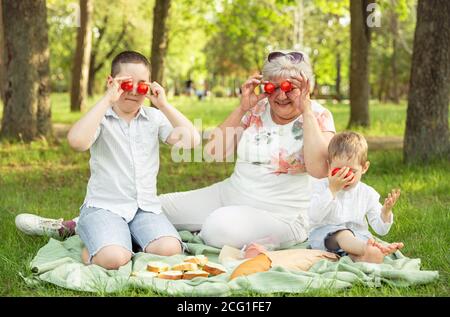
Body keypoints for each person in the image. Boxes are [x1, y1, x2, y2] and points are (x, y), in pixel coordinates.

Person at [16, 50, 335, 251]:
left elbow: (320, 169)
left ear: (307, 88)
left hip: (282, 215)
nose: (280, 96)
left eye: (290, 88)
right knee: (150, 207)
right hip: (230, 194)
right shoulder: (257, 109)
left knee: (217, 228)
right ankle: (71, 225)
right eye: (272, 87)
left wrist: (305, 111)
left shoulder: (319, 116)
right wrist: (242, 109)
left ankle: (119, 242)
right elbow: (214, 152)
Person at [22, 50, 200, 270]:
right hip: (104, 207)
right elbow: (77, 142)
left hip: (144, 209)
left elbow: (192, 140)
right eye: (127, 84)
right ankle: (92, 239)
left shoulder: (154, 118)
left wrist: (163, 104)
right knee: (114, 259)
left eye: (142, 85)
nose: (134, 91)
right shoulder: (101, 117)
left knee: (170, 250)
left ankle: (118, 238)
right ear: (112, 82)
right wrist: (107, 100)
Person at [307, 131, 404, 263]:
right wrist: (332, 190)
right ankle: (369, 249)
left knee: (362, 245)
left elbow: (380, 230)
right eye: (339, 171)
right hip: (328, 238)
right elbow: (313, 217)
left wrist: (385, 212)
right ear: (330, 166)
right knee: (344, 234)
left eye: (351, 171)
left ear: (364, 168)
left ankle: (363, 256)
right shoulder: (322, 187)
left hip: (358, 238)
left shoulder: (367, 193)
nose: (345, 176)